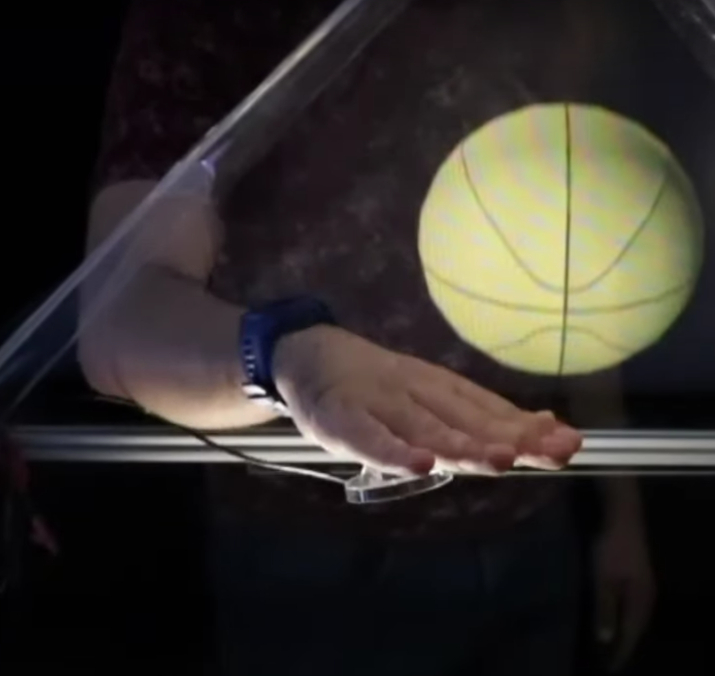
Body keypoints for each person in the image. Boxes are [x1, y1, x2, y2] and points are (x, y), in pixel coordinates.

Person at [80, 1, 655, 674]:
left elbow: (574, 268)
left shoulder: (533, 16)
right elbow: (123, 314)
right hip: (313, 554)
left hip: (530, 516)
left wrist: (622, 510)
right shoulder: (208, 23)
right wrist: (288, 359)